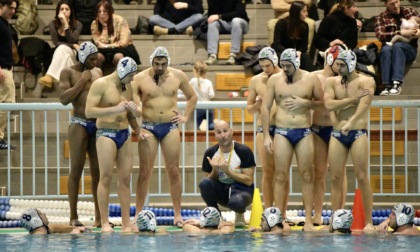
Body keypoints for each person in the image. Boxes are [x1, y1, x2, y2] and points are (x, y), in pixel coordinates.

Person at [131, 46, 197, 228]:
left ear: (168, 62)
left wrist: (185, 116)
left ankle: (177, 214)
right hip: (148, 128)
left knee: (174, 171)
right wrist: (136, 113)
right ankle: (137, 213)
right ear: (151, 61)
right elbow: (136, 104)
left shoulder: (178, 76)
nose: (160, 67)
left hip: (170, 127)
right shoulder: (139, 78)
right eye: (156, 63)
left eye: (163, 64)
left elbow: (192, 97)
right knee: (145, 172)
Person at [261, 48, 323, 232]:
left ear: (296, 64)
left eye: (288, 66)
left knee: (306, 175)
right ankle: (279, 219)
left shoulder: (311, 79)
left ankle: (309, 221)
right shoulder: (274, 80)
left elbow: (324, 103)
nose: (285, 69)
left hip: (303, 131)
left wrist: (306, 103)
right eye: (283, 66)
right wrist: (266, 136)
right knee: (280, 175)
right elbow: (265, 108)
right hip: (282, 131)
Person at [85, 56, 140, 233]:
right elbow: (89, 111)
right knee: (106, 177)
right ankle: (104, 222)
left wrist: (138, 130)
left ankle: (125, 222)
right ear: (123, 72)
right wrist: (115, 109)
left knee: (125, 179)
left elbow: (130, 114)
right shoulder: (101, 84)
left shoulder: (128, 86)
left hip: (124, 134)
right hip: (106, 133)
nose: (132, 79)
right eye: (131, 76)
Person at [323, 50, 375, 232]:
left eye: (342, 65)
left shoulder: (366, 81)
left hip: (357, 132)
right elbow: (328, 104)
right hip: (337, 134)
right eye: (337, 65)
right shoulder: (331, 82)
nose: (338, 68)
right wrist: (352, 99)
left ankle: (368, 221)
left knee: (361, 176)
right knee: (336, 177)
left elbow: (364, 106)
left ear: (351, 64)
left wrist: (350, 122)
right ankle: (336, 219)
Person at [58, 42, 102, 227]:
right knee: (76, 170)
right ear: (82, 57)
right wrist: (82, 81)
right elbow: (63, 99)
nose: (95, 61)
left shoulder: (98, 73)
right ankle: (73, 216)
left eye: (96, 58)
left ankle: (100, 217)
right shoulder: (68, 72)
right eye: (91, 59)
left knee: (98, 173)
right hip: (79, 123)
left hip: (96, 123)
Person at [310, 45, 348, 226]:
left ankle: (338, 213)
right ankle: (317, 214)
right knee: (319, 173)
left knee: (338, 174)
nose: (341, 67)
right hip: (318, 129)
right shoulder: (314, 77)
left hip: (336, 129)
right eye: (339, 63)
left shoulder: (345, 79)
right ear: (330, 60)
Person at [199, 120, 256, 227]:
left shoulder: (243, 151)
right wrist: (215, 170)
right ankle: (216, 215)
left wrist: (227, 171)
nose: (223, 135)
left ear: (231, 132)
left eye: (225, 131)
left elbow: (248, 181)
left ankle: (239, 214)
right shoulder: (210, 153)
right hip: (222, 192)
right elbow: (207, 182)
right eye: (219, 132)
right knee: (204, 183)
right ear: (215, 135)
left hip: (242, 191)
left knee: (237, 202)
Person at [246, 47, 282, 210]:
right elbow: (250, 110)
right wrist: (257, 104)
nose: (265, 69)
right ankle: (268, 209)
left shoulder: (285, 77)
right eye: (262, 66)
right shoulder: (255, 81)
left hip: (283, 129)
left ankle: (281, 211)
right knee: (267, 171)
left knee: (281, 173)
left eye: (268, 65)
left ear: (275, 62)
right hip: (263, 129)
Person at [34, 0, 82, 98]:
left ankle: (50, 76)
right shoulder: (53, 24)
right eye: (61, 9)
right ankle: (68, 87)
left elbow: (72, 39)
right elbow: (56, 42)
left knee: (63, 48)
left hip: (73, 54)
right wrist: (73, 46)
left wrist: (66, 25)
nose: (64, 11)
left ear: (71, 12)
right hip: (61, 53)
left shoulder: (78, 24)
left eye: (67, 9)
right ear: (58, 11)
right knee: (62, 50)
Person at [375, 0, 419, 96]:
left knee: (398, 46)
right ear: (386, 3)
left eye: (397, 2)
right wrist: (400, 33)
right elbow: (380, 35)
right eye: (392, 3)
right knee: (386, 50)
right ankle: (386, 85)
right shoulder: (381, 17)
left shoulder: (410, 12)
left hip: (409, 48)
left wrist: (418, 31)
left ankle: (396, 83)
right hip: (389, 48)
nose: (395, 5)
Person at [91, 0, 141, 70]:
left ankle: (120, 79)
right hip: (104, 50)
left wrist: (106, 46)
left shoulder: (120, 21)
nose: (102, 14)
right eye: (99, 11)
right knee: (97, 57)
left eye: (105, 11)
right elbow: (98, 43)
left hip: (121, 49)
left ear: (110, 12)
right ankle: (97, 79)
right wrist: (104, 28)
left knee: (118, 57)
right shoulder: (95, 24)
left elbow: (123, 43)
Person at [204, 0, 249, 65]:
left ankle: (233, 55)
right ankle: (212, 55)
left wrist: (220, 16)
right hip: (224, 23)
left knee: (236, 21)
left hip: (240, 23)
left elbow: (240, 12)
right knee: (212, 23)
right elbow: (212, 15)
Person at [271, 1, 312, 71]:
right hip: (283, 52)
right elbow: (276, 44)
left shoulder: (305, 25)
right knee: (278, 56)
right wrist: (289, 53)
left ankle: (309, 79)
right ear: (296, 12)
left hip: (297, 54)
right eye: (304, 11)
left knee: (305, 57)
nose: (307, 14)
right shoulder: (281, 23)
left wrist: (299, 52)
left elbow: (304, 46)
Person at [0, 0, 16, 150]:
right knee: (6, 103)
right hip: (2, 69)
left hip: (6, 68)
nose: (12, 11)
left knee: (6, 103)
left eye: (14, 8)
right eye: (9, 7)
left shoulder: (5, 23)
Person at [190, 60, 215, 130]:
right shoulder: (209, 82)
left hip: (199, 108)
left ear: (195, 71)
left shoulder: (193, 81)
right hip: (208, 107)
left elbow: (186, 91)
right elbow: (211, 95)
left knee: (196, 127)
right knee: (211, 126)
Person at [21, 208, 88, 234]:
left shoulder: (47, 228)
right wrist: (74, 234)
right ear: (36, 220)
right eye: (40, 214)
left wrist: (77, 228)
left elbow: (57, 227)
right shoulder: (39, 236)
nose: (44, 214)